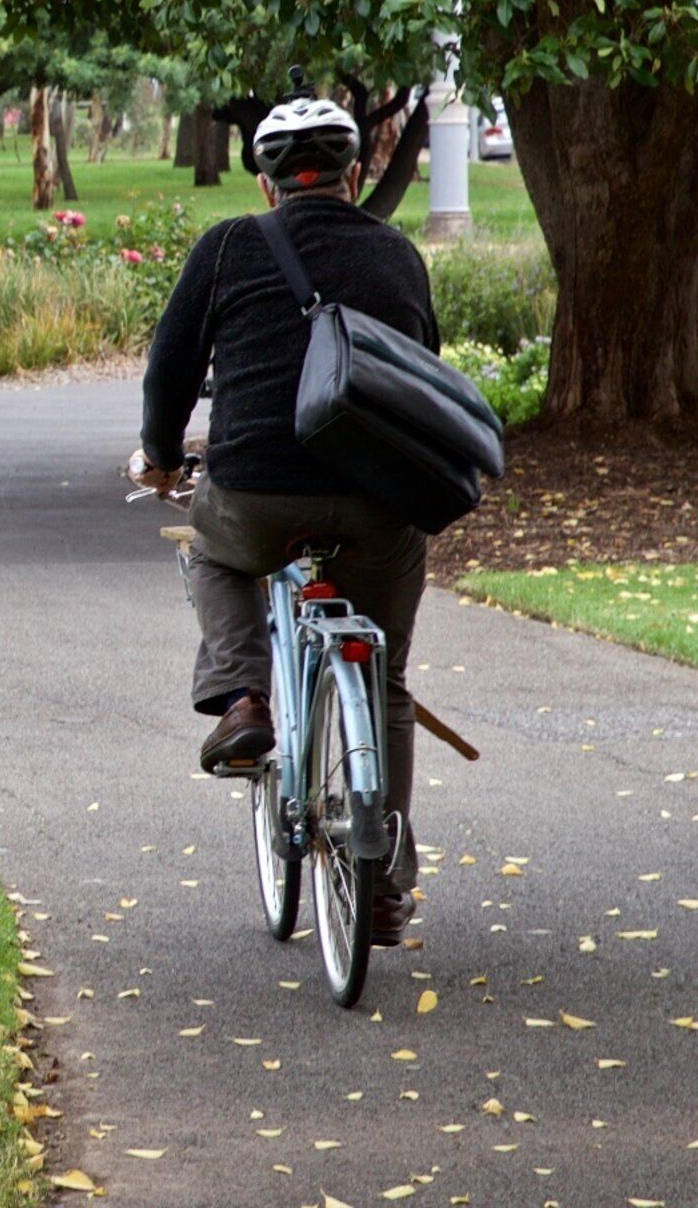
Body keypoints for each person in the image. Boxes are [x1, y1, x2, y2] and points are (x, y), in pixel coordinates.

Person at [132, 94, 440, 941]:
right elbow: (427, 369)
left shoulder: (228, 247)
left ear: (267, 185)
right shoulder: (397, 255)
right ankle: (383, 880)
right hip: (378, 503)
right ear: (354, 176)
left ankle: (241, 698)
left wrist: (160, 454)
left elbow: (169, 373)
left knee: (215, 550)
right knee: (389, 683)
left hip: (255, 493)